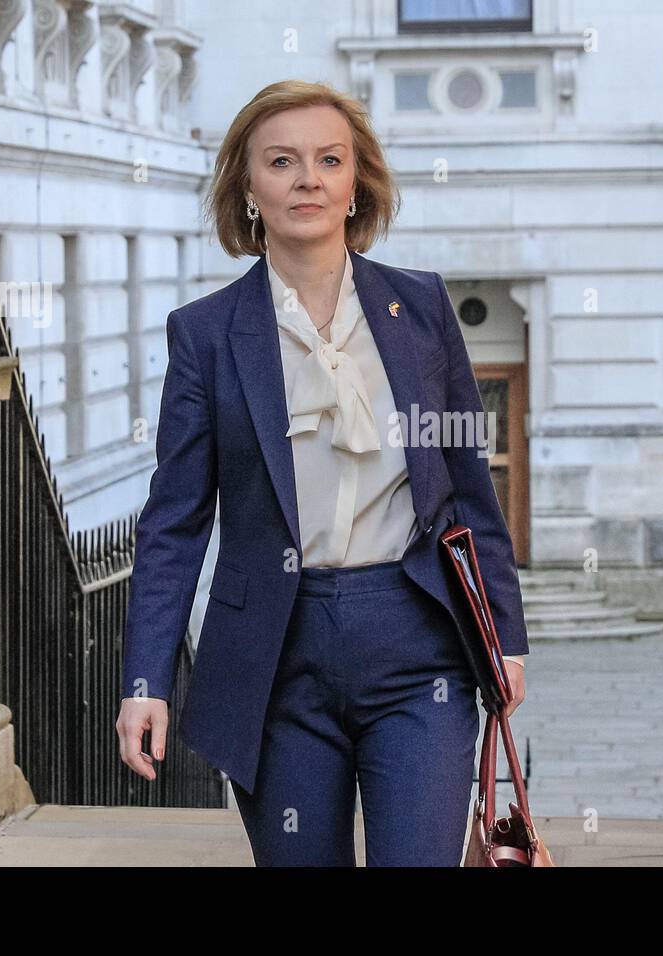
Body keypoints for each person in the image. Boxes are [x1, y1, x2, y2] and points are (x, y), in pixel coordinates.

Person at [115, 79, 528, 866]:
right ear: (246, 185)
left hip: (418, 648)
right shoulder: (204, 335)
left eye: (328, 159)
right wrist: (147, 680)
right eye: (281, 161)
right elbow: (173, 522)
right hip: (273, 660)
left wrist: (503, 633)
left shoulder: (424, 308)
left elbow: (470, 486)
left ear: (355, 181)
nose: (307, 178)